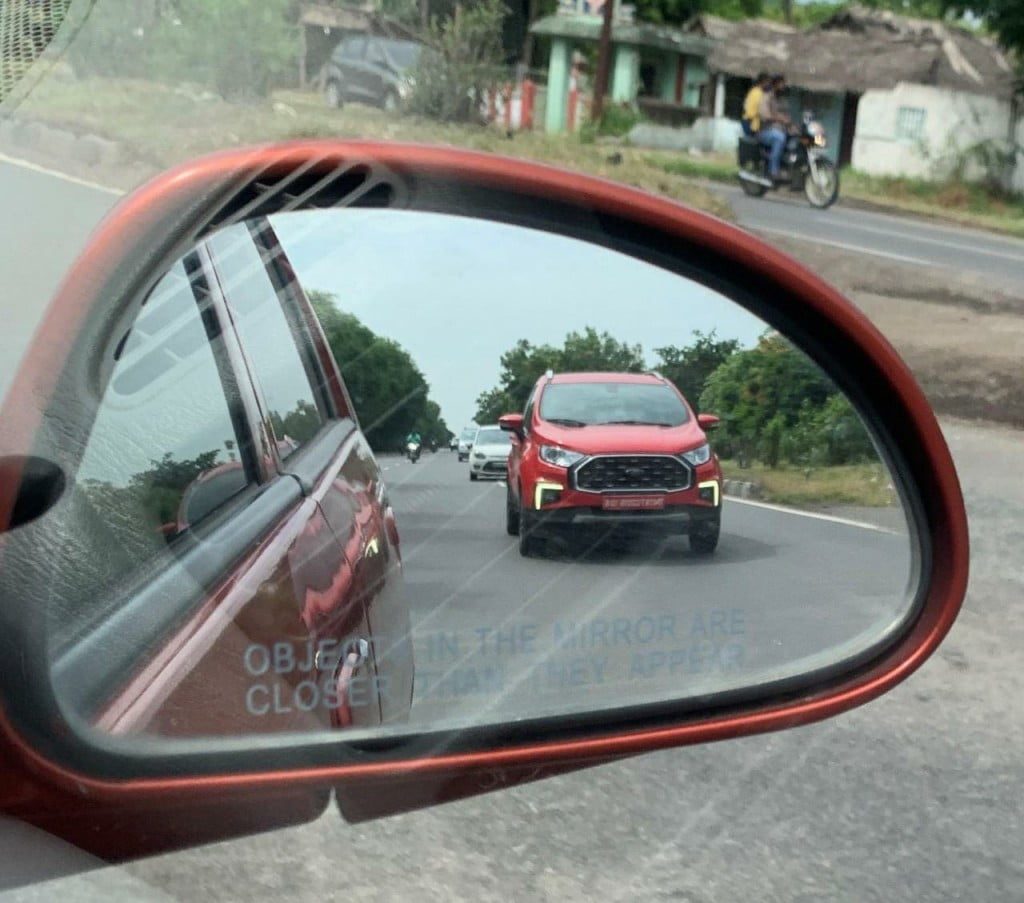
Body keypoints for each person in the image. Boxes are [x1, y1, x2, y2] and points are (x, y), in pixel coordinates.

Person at [758, 74, 792, 181]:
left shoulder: (782, 100)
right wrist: (780, 119)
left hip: (780, 129)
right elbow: (764, 115)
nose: (783, 86)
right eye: (781, 84)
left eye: (784, 84)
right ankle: (773, 170)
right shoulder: (766, 97)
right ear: (775, 85)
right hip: (765, 131)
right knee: (779, 137)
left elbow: (786, 116)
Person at [741, 72, 770, 137]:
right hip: (750, 121)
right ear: (764, 81)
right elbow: (750, 109)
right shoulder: (755, 92)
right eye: (768, 82)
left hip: (754, 122)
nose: (768, 84)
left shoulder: (760, 92)